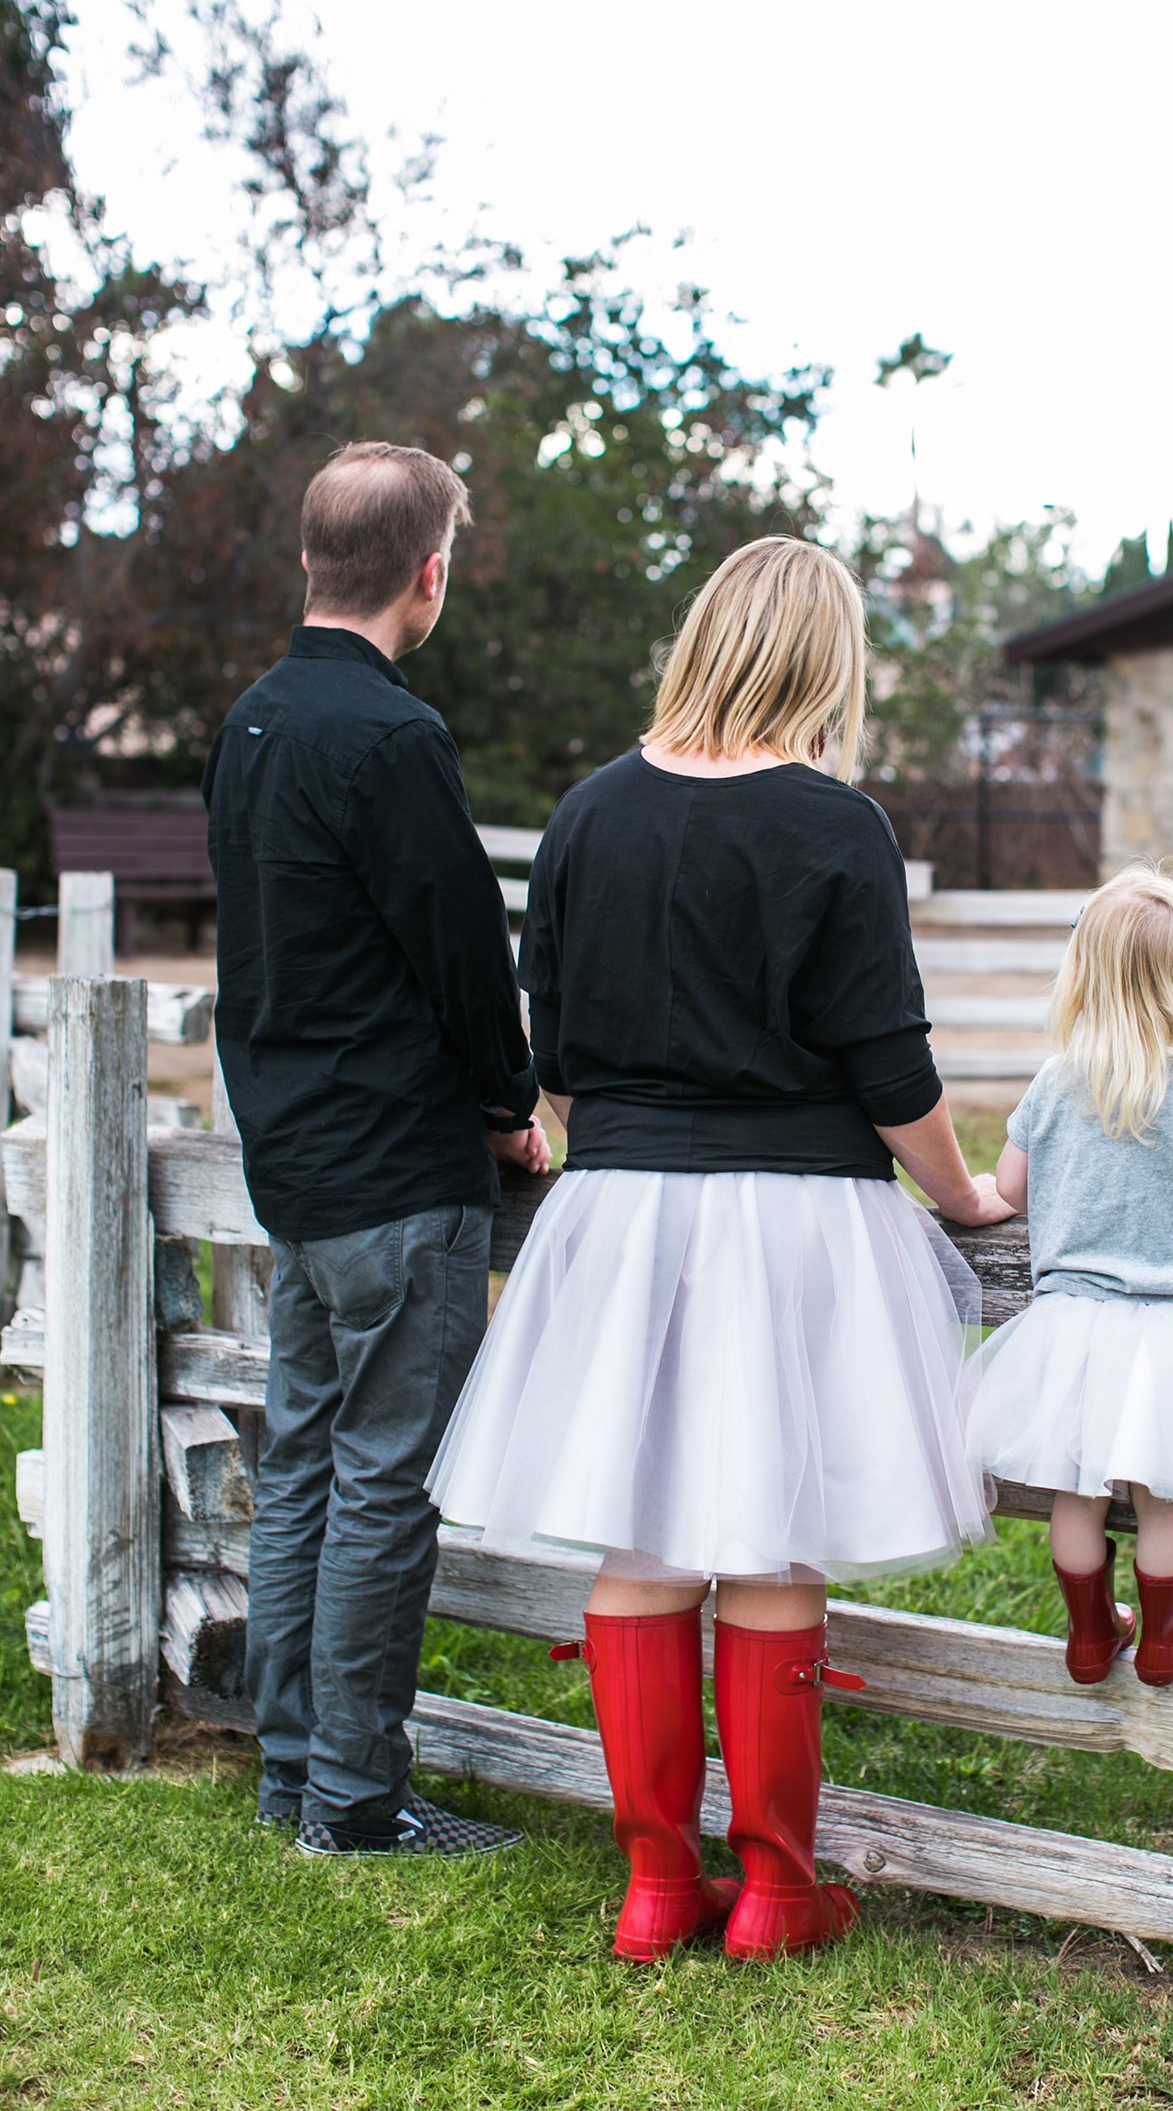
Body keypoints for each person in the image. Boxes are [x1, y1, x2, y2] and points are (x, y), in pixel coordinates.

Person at [427, 535, 1010, 1961]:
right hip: (801, 1213)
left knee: (644, 1539)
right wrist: (967, 1198)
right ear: (822, 661)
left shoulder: (587, 812)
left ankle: (651, 1883)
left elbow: (548, 1040)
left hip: (622, 1207)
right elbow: (890, 1063)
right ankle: (773, 1887)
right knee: (770, 1540)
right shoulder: (835, 824)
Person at [203, 441, 550, 1858]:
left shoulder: (256, 720)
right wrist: (511, 1098)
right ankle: (352, 1797)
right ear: (431, 573)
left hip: (294, 1159)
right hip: (398, 1171)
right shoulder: (393, 737)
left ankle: (293, 1767)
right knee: (387, 1478)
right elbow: (463, 949)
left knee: (304, 1463)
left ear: (308, 564)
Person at [965, 863, 1173, 1688]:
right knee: (1162, 1499)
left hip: (1069, 1324)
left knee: (1074, 1498)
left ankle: (1087, 1637)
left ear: (1083, 970)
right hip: (1167, 1327)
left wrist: (976, 1194)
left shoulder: (1055, 1080)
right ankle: (1164, 1640)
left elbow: (1008, 1189)